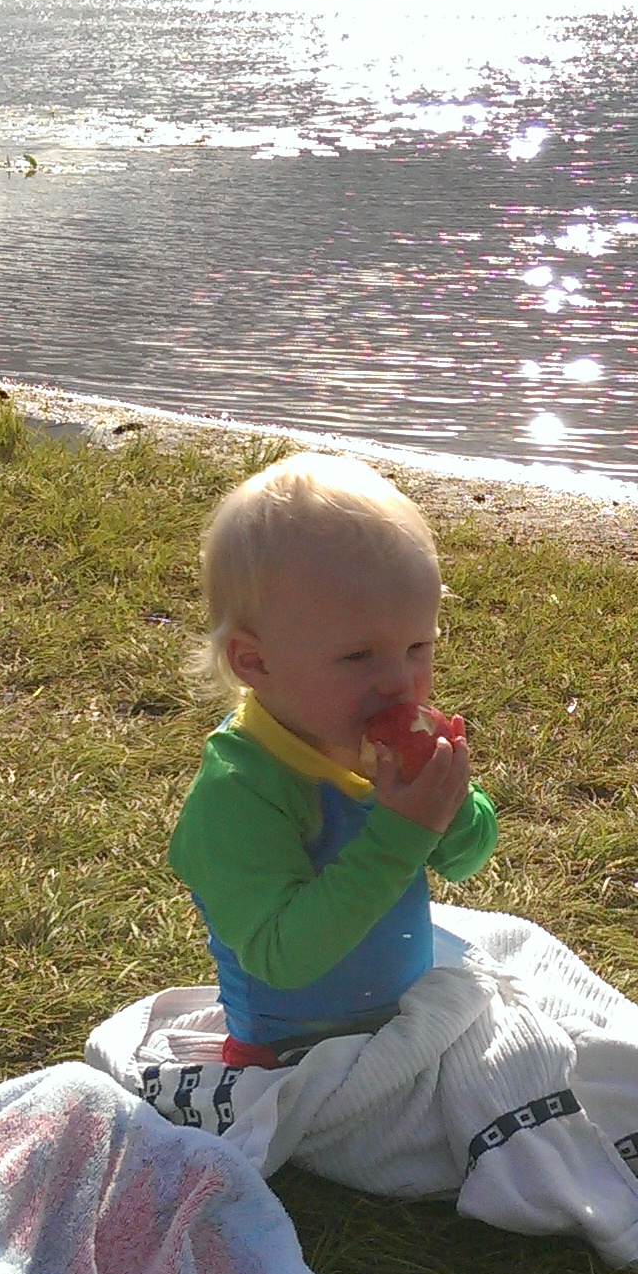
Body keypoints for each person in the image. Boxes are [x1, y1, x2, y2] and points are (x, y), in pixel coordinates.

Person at [169, 452, 497, 1066]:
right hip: (291, 1060)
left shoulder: (370, 739)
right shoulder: (239, 791)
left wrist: (450, 803)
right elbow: (283, 956)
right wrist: (403, 833)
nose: (399, 681)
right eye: (358, 657)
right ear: (255, 662)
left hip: (407, 1031)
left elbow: (464, 861)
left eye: (417, 646)